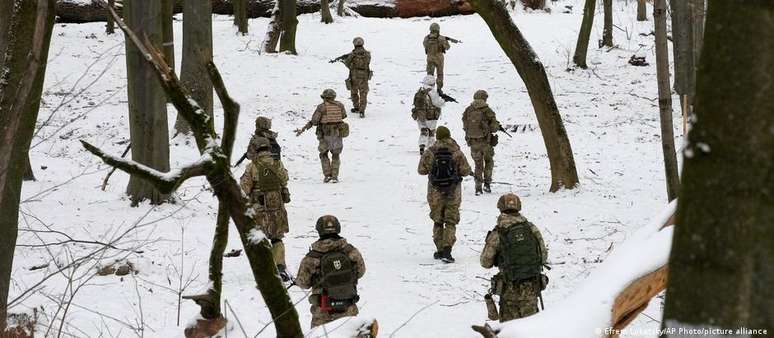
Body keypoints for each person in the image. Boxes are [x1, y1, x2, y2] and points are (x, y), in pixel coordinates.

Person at [480, 193, 548, 321]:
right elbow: (543, 256)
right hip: (531, 288)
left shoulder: (499, 232)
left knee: (510, 330)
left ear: (500, 208)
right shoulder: (531, 228)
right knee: (532, 327)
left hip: (509, 290)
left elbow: (485, 262)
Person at [296, 215, 366, 327]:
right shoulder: (351, 251)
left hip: (323, 314)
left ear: (319, 230)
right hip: (349, 310)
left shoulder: (311, 258)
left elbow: (303, 283)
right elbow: (361, 272)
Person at [239, 137, 292, 281]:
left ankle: (264, 269)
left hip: (259, 208)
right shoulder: (277, 163)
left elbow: (244, 188)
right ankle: (280, 266)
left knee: (259, 238)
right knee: (277, 238)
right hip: (277, 207)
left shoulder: (252, 166)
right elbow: (284, 179)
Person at [417, 126, 472, 263]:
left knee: (438, 220)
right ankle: (447, 250)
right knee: (451, 221)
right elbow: (465, 171)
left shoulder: (430, 151)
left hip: (434, 192)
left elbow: (421, 170)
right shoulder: (456, 152)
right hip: (453, 191)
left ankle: (439, 249)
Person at [295, 89, 349, 183]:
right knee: (336, 155)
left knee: (323, 154)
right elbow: (343, 116)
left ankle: (327, 175)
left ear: (324, 97)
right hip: (337, 134)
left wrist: (303, 129)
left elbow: (314, 121)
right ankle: (335, 176)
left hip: (324, 134)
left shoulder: (321, 107)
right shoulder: (340, 105)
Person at [461, 90, 502, 195]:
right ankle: (487, 184)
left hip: (473, 142)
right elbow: (493, 128)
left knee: (478, 165)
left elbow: (465, 125)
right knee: (489, 162)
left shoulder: (468, 110)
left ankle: (478, 188)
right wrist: (496, 126)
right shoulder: (487, 110)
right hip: (486, 143)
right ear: (484, 98)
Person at [412, 75, 446, 155]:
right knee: (431, 132)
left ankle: (422, 145)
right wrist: (443, 101)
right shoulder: (432, 92)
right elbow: (437, 103)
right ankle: (431, 148)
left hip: (420, 115)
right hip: (431, 116)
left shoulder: (420, 91)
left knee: (424, 130)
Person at [343, 37, 372, 118]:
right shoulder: (367, 54)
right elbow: (368, 62)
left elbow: (347, 63)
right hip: (364, 76)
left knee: (354, 92)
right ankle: (362, 111)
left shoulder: (353, 54)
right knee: (363, 93)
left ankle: (356, 107)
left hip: (354, 75)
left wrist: (352, 65)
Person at [423, 22, 452, 93]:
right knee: (440, 74)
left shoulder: (426, 38)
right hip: (439, 59)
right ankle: (439, 89)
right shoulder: (441, 38)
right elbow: (448, 47)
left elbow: (424, 45)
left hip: (430, 58)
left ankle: (429, 89)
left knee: (430, 74)